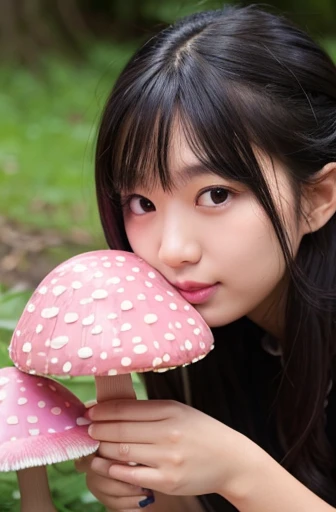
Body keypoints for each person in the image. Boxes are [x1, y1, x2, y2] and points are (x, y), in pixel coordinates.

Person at [75, 4, 336, 511]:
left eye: (215, 195)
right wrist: (147, 489)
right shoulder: (220, 335)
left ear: (319, 198)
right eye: (142, 203)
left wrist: (241, 474)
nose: (172, 250)